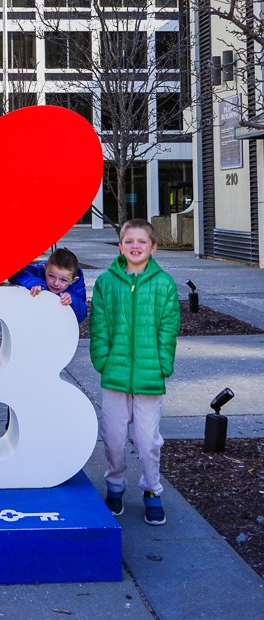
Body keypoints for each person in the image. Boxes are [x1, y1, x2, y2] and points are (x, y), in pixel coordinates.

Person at [89, 218, 180, 525]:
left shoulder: (163, 283)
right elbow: (99, 324)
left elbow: (169, 328)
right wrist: (102, 359)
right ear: (120, 246)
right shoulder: (107, 282)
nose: (135, 246)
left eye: (142, 242)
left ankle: (152, 490)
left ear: (153, 247)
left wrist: (163, 363)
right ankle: (115, 485)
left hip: (149, 379)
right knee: (113, 437)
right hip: (114, 375)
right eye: (129, 241)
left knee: (147, 440)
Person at [9, 247, 87, 323]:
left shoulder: (76, 286)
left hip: (60, 326)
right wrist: (35, 283)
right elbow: (16, 273)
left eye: (63, 280)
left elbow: (81, 316)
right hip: (34, 320)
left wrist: (72, 301)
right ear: (44, 269)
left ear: (73, 280)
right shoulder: (38, 272)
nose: (56, 283)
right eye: (51, 276)